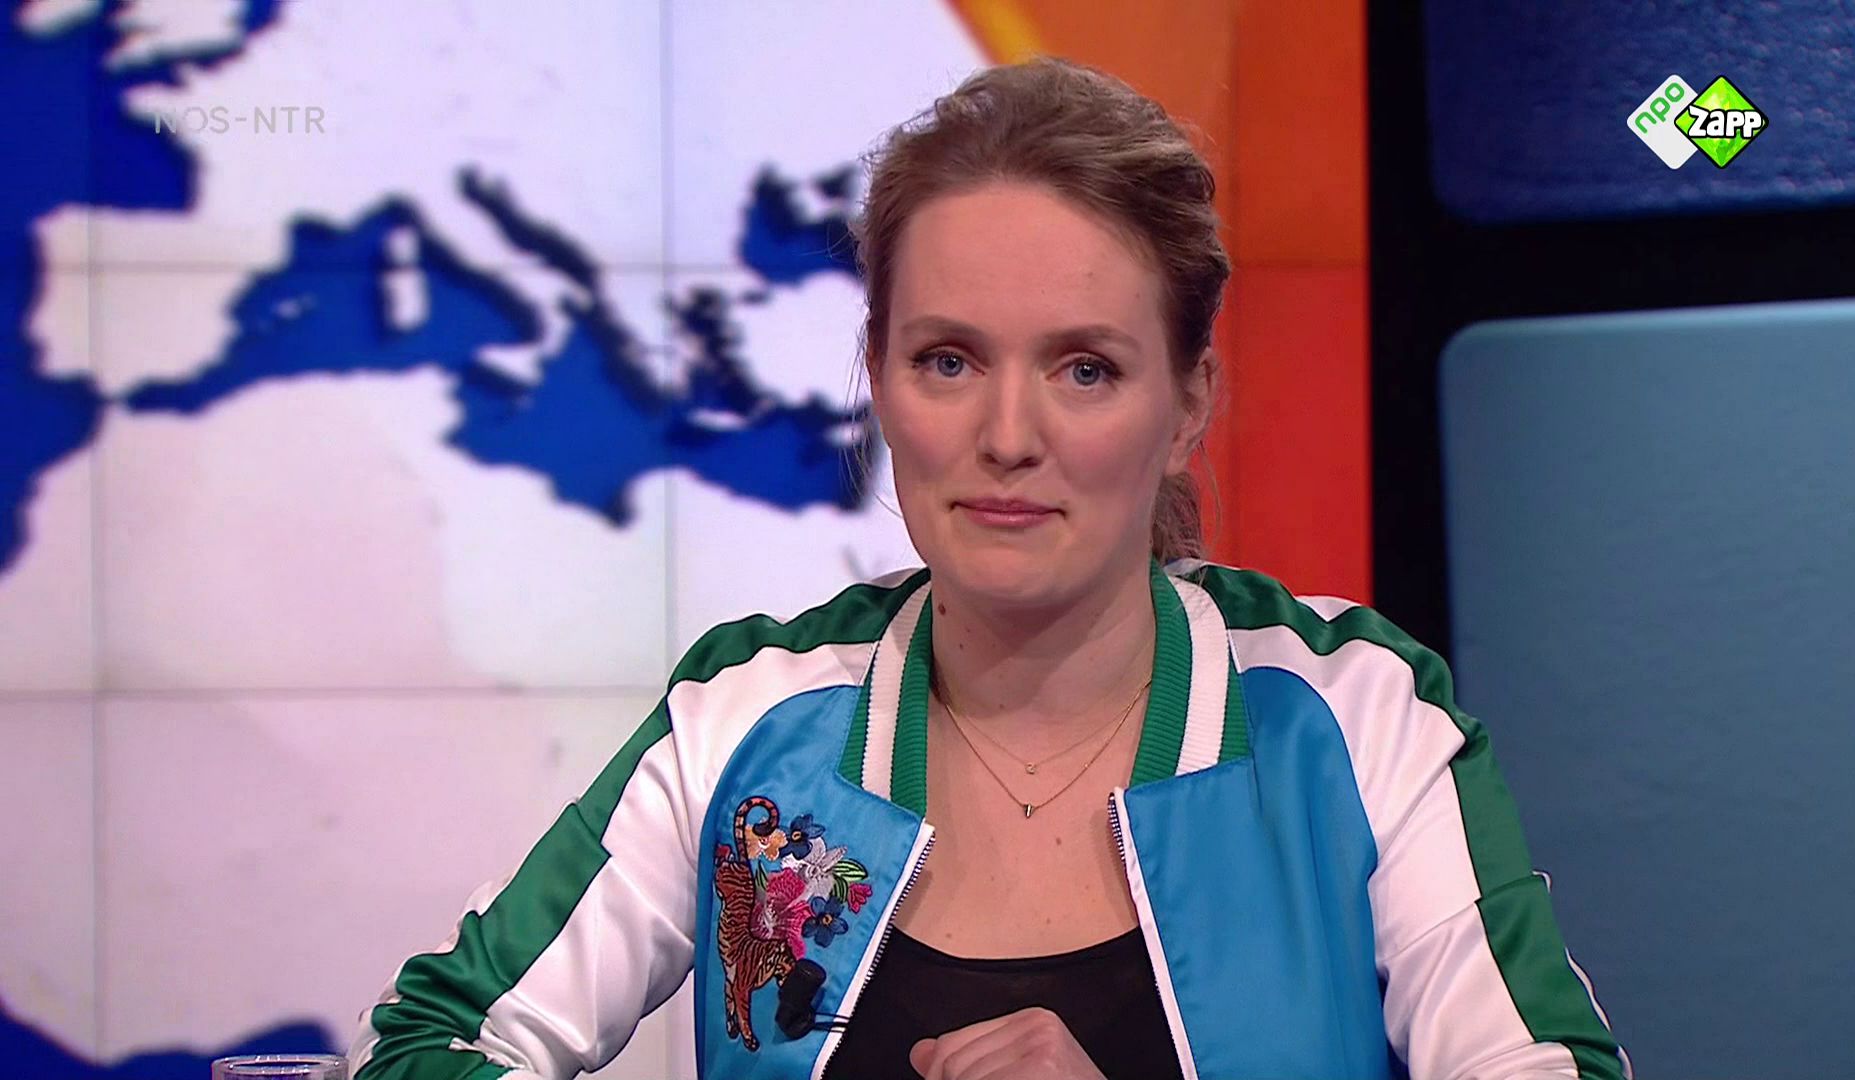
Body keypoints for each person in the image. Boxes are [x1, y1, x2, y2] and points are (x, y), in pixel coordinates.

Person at [347, 57, 1627, 1080]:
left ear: (1187, 404)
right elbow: (432, 1045)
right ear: (879, 378)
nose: (1008, 436)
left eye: (1086, 368)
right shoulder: (748, 718)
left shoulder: (1353, 716)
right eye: (948, 360)